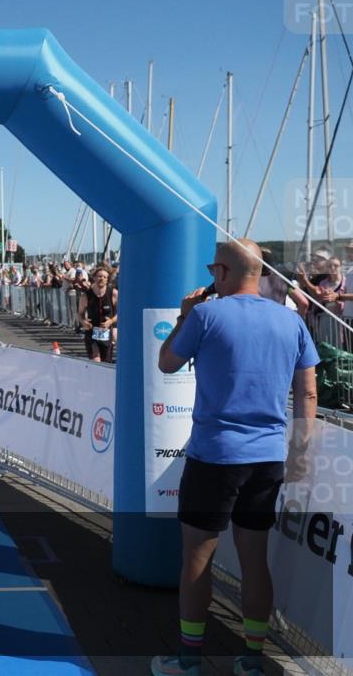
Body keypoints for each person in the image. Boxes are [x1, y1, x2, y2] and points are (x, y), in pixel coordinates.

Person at [152, 238, 319, 676]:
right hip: (267, 458)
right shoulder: (291, 321)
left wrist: (183, 317)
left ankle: (189, 659)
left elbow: (166, 363)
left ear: (223, 273)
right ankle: (251, 660)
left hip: (215, 455)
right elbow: (307, 392)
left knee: (196, 557)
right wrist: (299, 452)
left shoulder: (206, 314)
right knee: (254, 558)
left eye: (212, 270)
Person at [78, 265, 117, 363]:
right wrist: (83, 322)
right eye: (99, 276)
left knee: (106, 363)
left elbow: (121, 313)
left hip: (107, 334)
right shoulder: (86, 295)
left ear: (107, 280)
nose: (102, 279)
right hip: (92, 333)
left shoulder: (114, 293)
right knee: (96, 361)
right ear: (94, 277)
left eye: (104, 277)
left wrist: (111, 321)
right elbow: (80, 313)